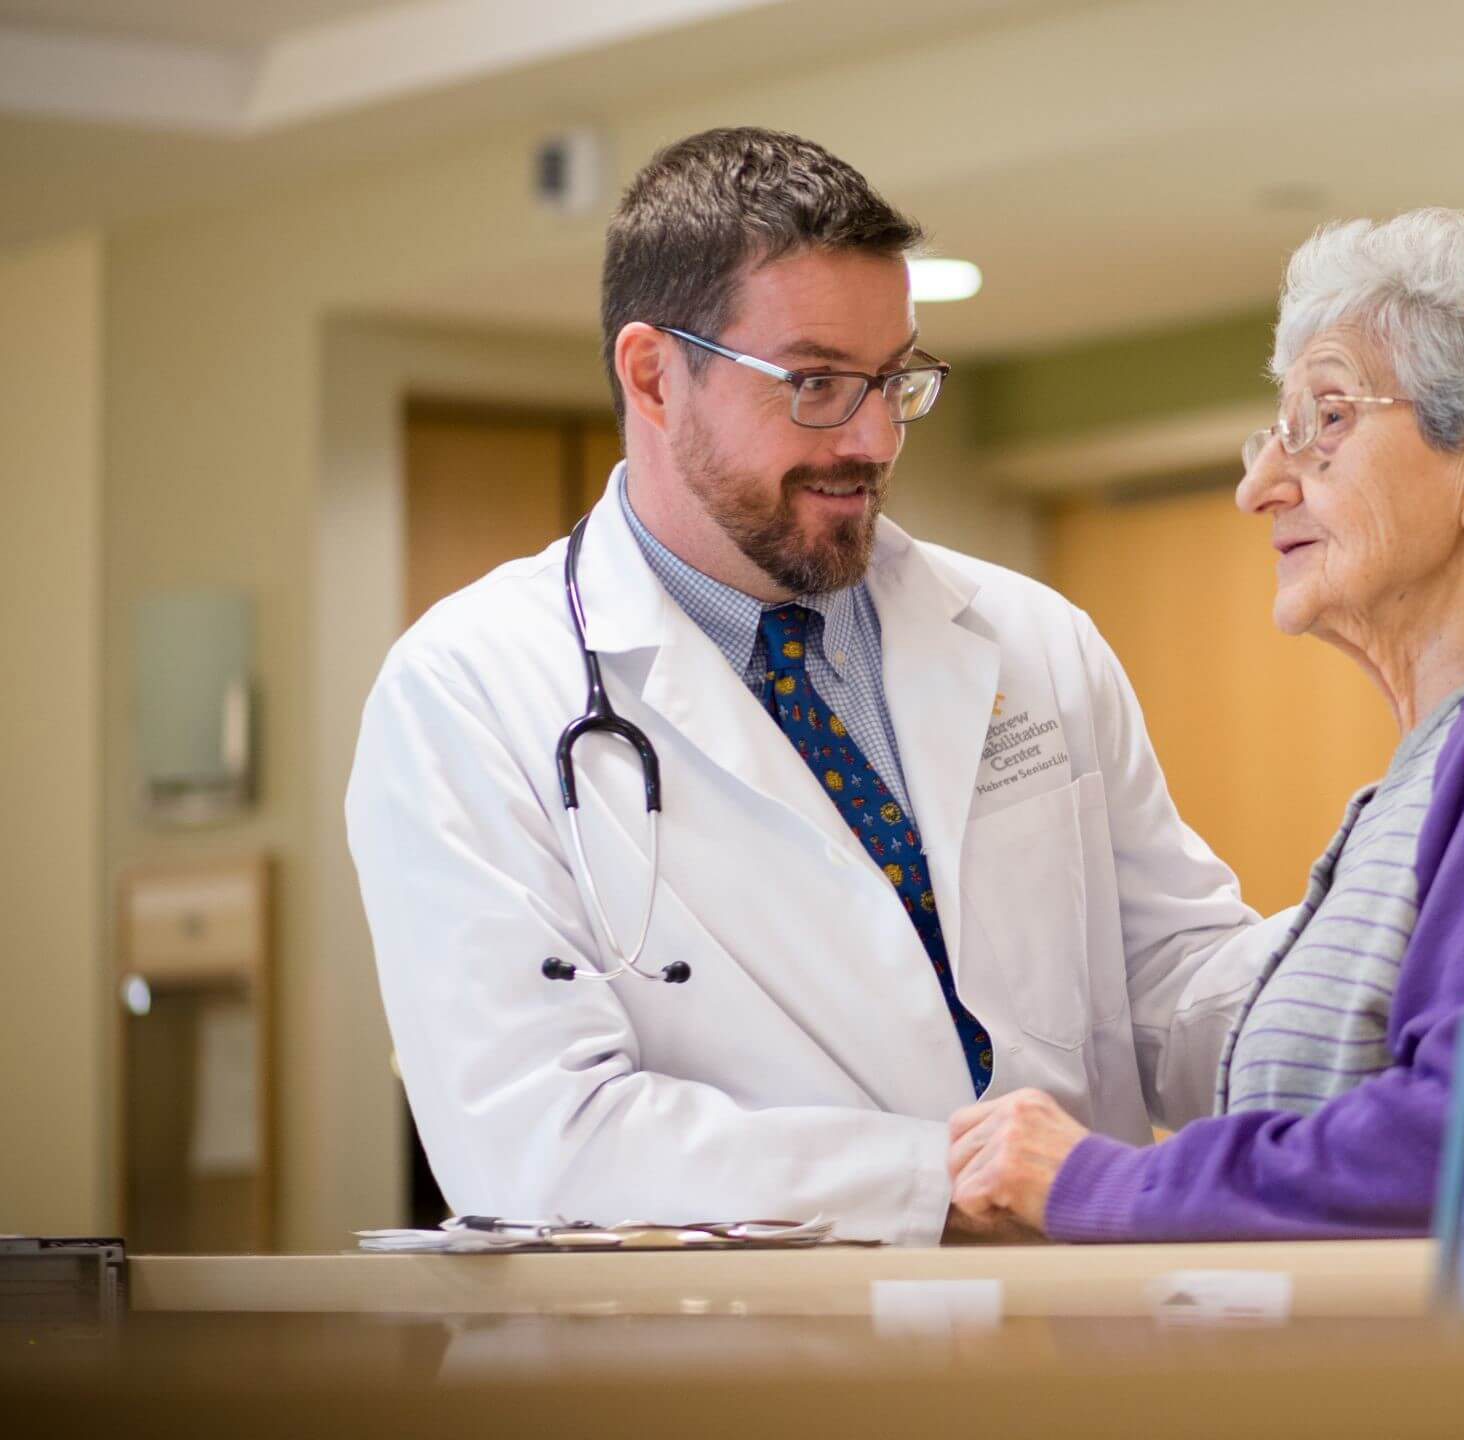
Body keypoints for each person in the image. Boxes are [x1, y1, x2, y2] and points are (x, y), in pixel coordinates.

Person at [346, 128, 1270, 1245]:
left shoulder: (1031, 641)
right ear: (652, 374)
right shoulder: (470, 692)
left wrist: (1384, 951)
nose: (873, 437)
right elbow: (540, 1138)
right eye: (818, 384)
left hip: (1070, 1348)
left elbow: (1175, 982)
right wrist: (945, 1178)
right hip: (739, 1374)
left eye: (893, 381)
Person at [943, 208, 1464, 1241]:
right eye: (1274, 434)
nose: (1259, 486)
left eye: (1326, 420)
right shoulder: (1451, 755)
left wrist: (1101, 1182)